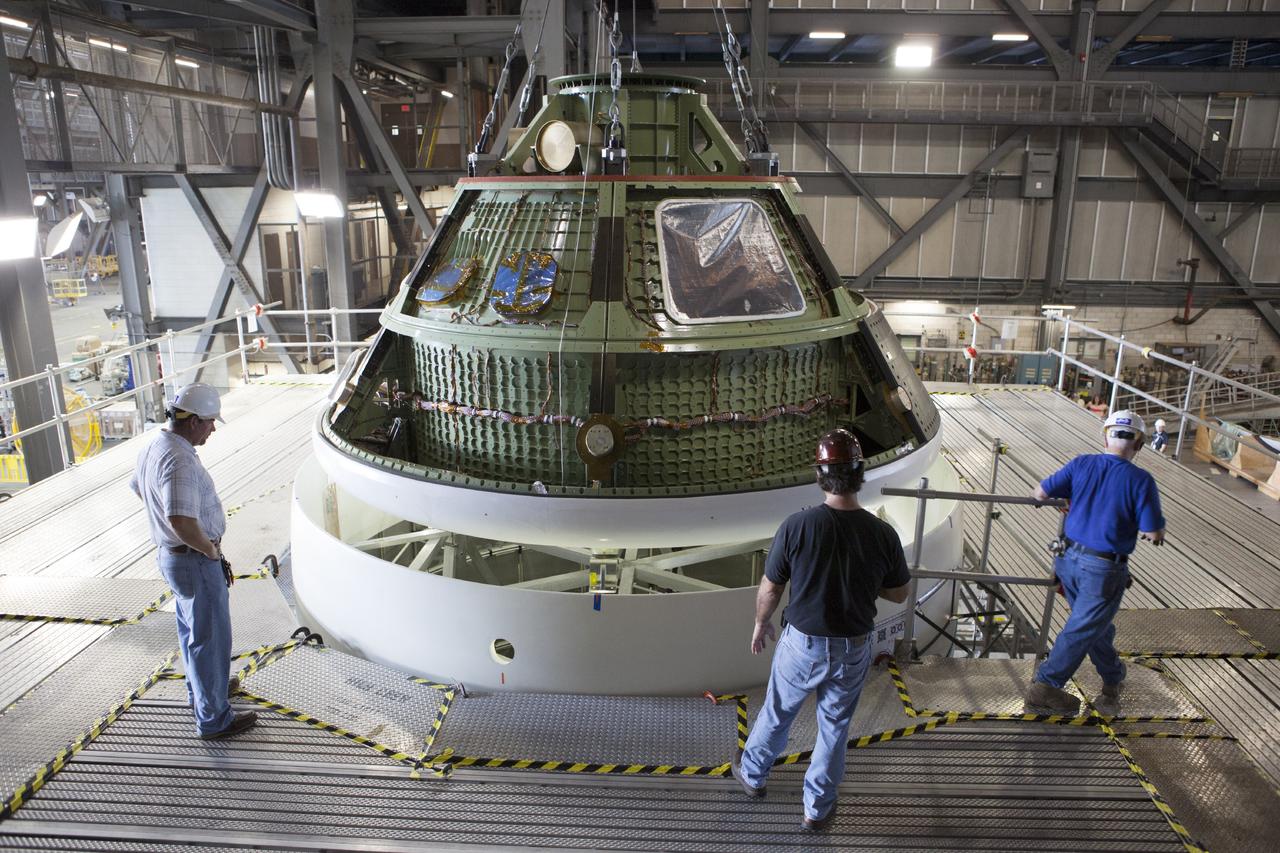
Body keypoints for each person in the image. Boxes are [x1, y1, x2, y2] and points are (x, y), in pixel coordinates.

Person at [730, 428, 911, 831]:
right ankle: (816, 809)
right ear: (859, 473)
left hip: (803, 645)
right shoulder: (882, 534)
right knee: (834, 727)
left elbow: (772, 586)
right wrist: (867, 578)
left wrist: (761, 624)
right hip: (853, 647)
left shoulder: (797, 526)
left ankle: (754, 776)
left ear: (820, 475)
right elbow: (900, 594)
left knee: (778, 711)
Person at [130, 382, 257, 740]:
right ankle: (215, 717)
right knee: (210, 636)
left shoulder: (156, 445)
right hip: (193, 559)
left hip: (172, 557)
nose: (213, 429)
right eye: (210, 422)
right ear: (193, 422)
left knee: (192, 632)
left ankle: (204, 690)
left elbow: (139, 488)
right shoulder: (180, 461)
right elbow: (182, 521)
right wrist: (209, 549)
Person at [1025, 410, 1166, 716]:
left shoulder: (1081, 463)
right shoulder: (1141, 481)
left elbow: (1039, 493)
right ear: (1139, 445)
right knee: (1082, 627)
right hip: (1102, 571)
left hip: (1067, 560)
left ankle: (1113, 677)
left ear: (1105, 436)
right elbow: (1153, 531)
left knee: (1093, 625)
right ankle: (1046, 685)